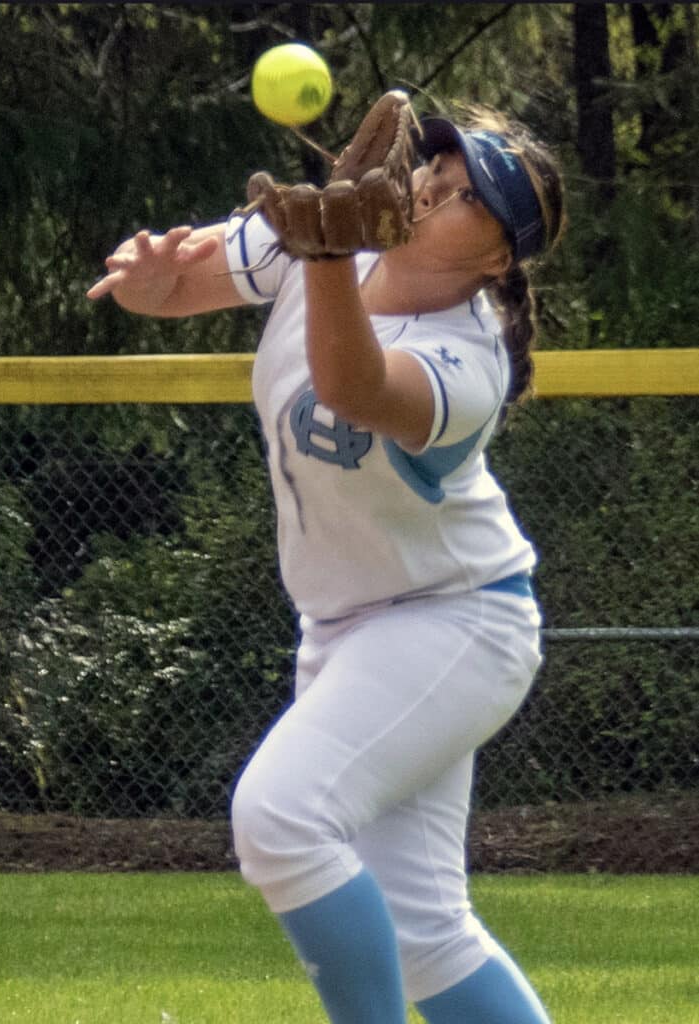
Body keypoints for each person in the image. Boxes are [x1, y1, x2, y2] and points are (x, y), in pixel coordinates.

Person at [87, 99, 565, 1024]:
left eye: (467, 196)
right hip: (346, 628)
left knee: (279, 817)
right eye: (437, 167)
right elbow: (174, 288)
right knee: (426, 936)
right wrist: (148, 279)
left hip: (455, 622)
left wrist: (323, 254)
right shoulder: (320, 241)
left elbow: (349, 386)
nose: (432, 185)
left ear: (497, 257)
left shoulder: (468, 361)